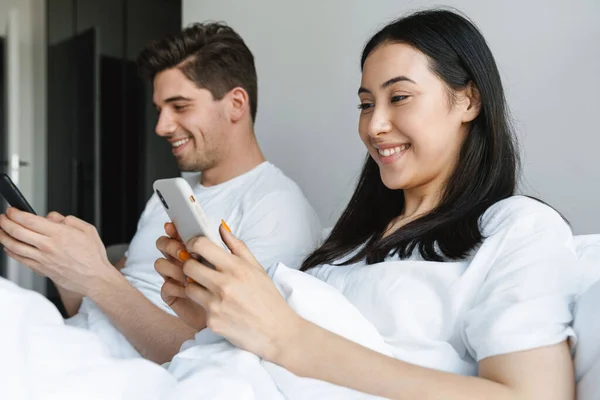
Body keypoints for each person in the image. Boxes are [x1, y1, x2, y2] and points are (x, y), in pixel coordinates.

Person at [156, 9, 578, 399]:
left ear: (468, 100)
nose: (374, 126)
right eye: (365, 104)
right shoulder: (352, 241)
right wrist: (222, 317)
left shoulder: (518, 229)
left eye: (399, 98)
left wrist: (289, 338)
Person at [0, 22, 322, 364]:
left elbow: (219, 359)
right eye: (159, 110)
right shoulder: (167, 197)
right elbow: (93, 308)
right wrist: (64, 270)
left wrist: (98, 275)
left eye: (179, 106)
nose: (161, 127)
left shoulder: (277, 208)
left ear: (236, 104)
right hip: (73, 346)